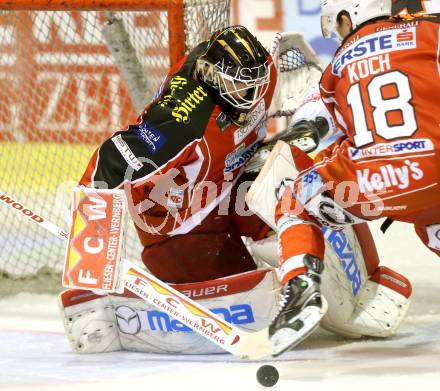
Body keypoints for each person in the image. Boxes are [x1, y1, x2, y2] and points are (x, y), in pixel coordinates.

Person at [259, 0, 440, 355]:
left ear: (348, 17)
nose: (339, 35)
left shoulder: (339, 63)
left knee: (295, 203)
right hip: (435, 175)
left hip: (371, 182)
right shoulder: (430, 32)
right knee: (432, 221)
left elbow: (309, 126)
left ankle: (300, 293)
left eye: (337, 26)